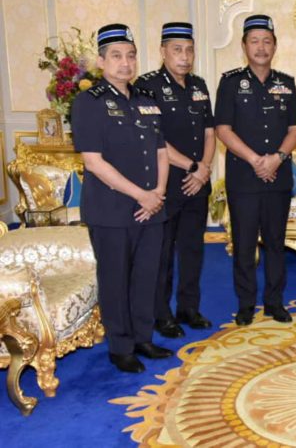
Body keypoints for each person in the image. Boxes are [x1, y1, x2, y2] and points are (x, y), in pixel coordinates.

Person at [72, 23, 172, 373]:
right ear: (101, 61)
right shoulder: (88, 102)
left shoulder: (146, 100)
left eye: (130, 55)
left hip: (152, 208)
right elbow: (93, 162)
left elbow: (161, 152)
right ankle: (121, 346)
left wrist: (158, 193)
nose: (125, 63)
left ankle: (143, 337)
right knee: (115, 278)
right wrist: (142, 195)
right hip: (112, 210)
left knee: (147, 275)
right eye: (116, 56)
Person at [214, 15, 296, 326]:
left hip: (278, 178)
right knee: (244, 243)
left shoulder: (286, 83)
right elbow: (223, 129)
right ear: (244, 46)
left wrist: (277, 158)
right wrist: (256, 160)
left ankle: (275, 302)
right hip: (244, 178)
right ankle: (246, 304)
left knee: (276, 243)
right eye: (254, 41)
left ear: (275, 46)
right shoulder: (230, 82)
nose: (261, 47)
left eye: (267, 41)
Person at [134, 22, 215, 338]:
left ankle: (188, 308)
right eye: (177, 50)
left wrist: (204, 168)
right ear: (163, 51)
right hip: (166, 185)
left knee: (194, 250)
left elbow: (209, 133)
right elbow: (153, 139)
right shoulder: (147, 86)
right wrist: (193, 166)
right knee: (163, 252)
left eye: (189, 50)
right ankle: (161, 313)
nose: (184, 56)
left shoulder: (199, 85)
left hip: (198, 184)